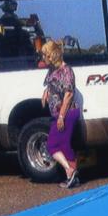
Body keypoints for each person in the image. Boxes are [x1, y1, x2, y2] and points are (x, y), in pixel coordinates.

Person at [40, 40, 80, 188]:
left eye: (45, 55)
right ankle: (73, 177)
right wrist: (46, 93)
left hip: (67, 113)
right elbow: (51, 85)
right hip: (59, 113)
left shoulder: (66, 71)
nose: (43, 57)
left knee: (52, 146)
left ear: (52, 56)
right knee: (64, 146)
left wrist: (62, 116)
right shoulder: (52, 70)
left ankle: (69, 170)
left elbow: (68, 94)